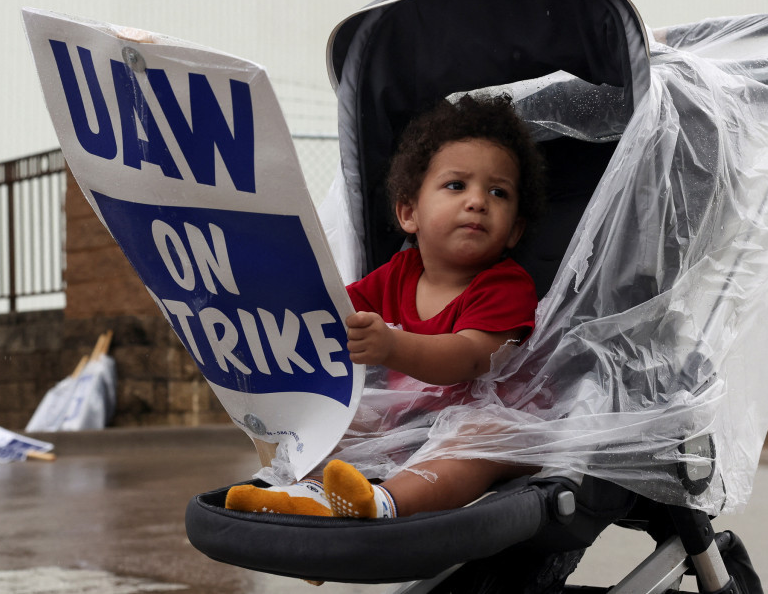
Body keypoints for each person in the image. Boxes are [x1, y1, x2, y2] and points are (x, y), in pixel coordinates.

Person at [226, 93, 547, 519]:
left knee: (477, 435)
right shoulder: (399, 271)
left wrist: (391, 346)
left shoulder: (506, 286)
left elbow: (470, 359)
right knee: (341, 423)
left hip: (498, 422)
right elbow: (335, 317)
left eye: (498, 192)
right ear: (408, 212)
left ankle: (382, 504)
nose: (477, 201)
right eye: (456, 185)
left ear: (514, 229)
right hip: (412, 421)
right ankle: (301, 497)